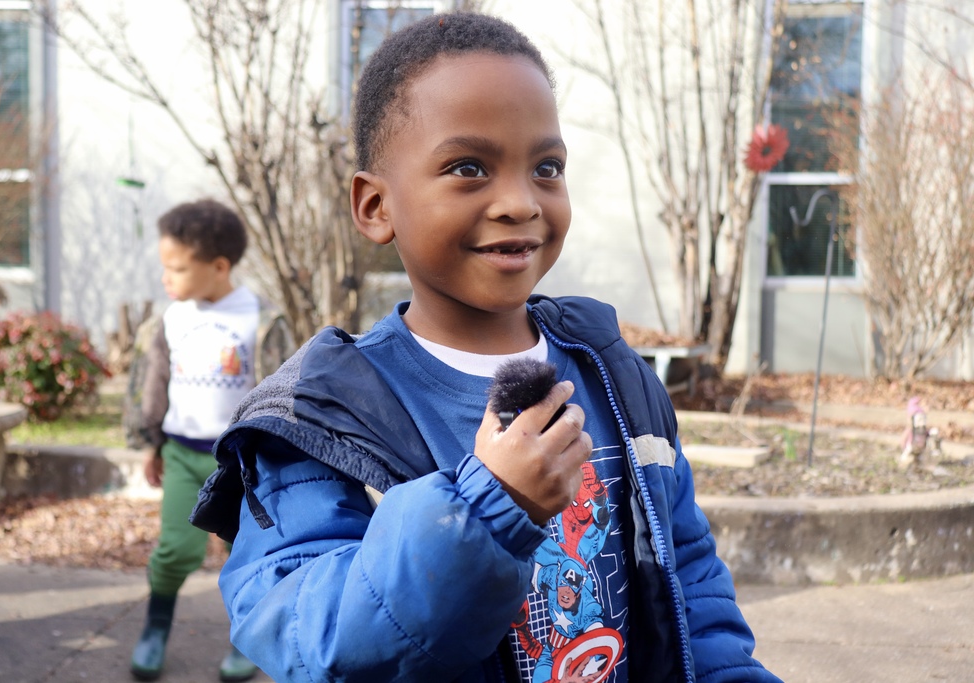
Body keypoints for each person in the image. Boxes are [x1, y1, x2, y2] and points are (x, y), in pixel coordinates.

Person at [190, 12, 782, 683]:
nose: (520, 202)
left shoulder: (611, 372)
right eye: (469, 168)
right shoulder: (319, 417)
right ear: (376, 206)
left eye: (546, 167)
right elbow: (314, 641)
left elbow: (691, 586)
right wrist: (488, 508)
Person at [130, 198, 292, 682]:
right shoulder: (171, 318)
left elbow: (281, 391)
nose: (166, 278)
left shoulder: (260, 318)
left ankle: (249, 636)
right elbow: (153, 383)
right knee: (176, 550)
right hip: (181, 455)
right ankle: (155, 626)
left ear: (219, 266)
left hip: (241, 463)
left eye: (176, 268)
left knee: (244, 554)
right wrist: (150, 443)